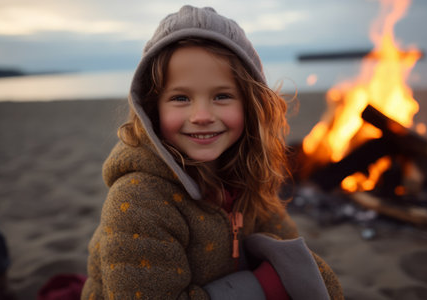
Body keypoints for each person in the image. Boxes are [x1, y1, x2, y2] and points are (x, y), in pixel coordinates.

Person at [82, 5, 343, 300]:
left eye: (222, 96)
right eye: (181, 98)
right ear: (153, 110)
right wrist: (264, 286)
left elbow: (289, 243)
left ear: (250, 103)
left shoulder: (245, 175)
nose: (202, 115)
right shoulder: (137, 202)